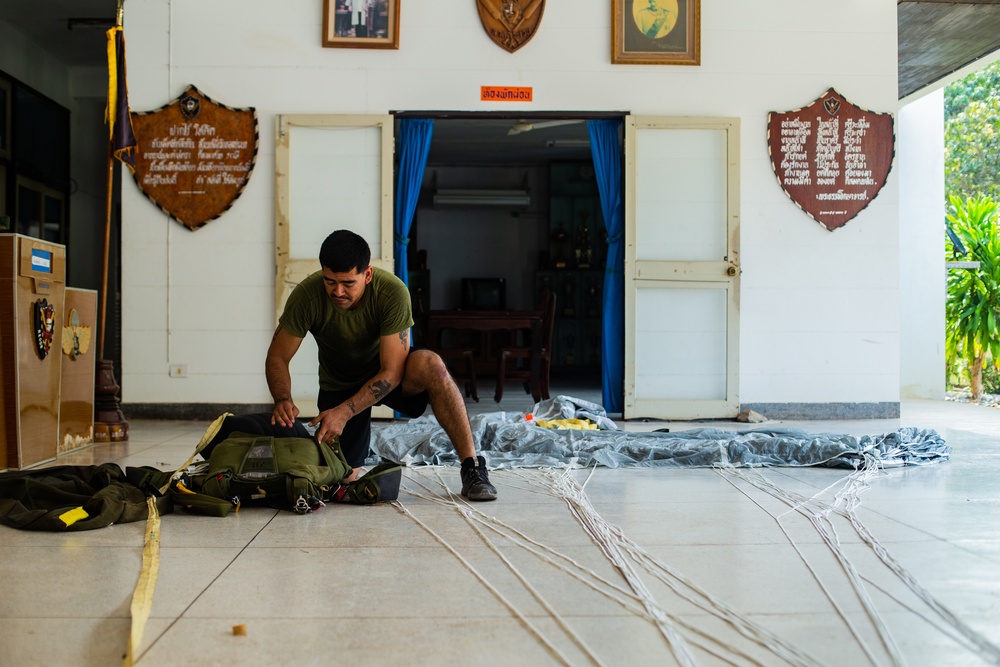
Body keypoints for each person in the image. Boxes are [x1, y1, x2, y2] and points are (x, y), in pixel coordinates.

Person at [266, 229, 497, 501]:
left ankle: (473, 467)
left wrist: (344, 412)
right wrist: (282, 398)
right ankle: (349, 460)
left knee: (431, 364)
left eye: (347, 283)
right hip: (340, 383)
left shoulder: (392, 292)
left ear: (367, 274)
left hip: (391, 376)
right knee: (343, 479)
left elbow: (392, 372)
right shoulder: (307, 295)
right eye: (330, 281)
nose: (337, 291)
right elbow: (277, 356)